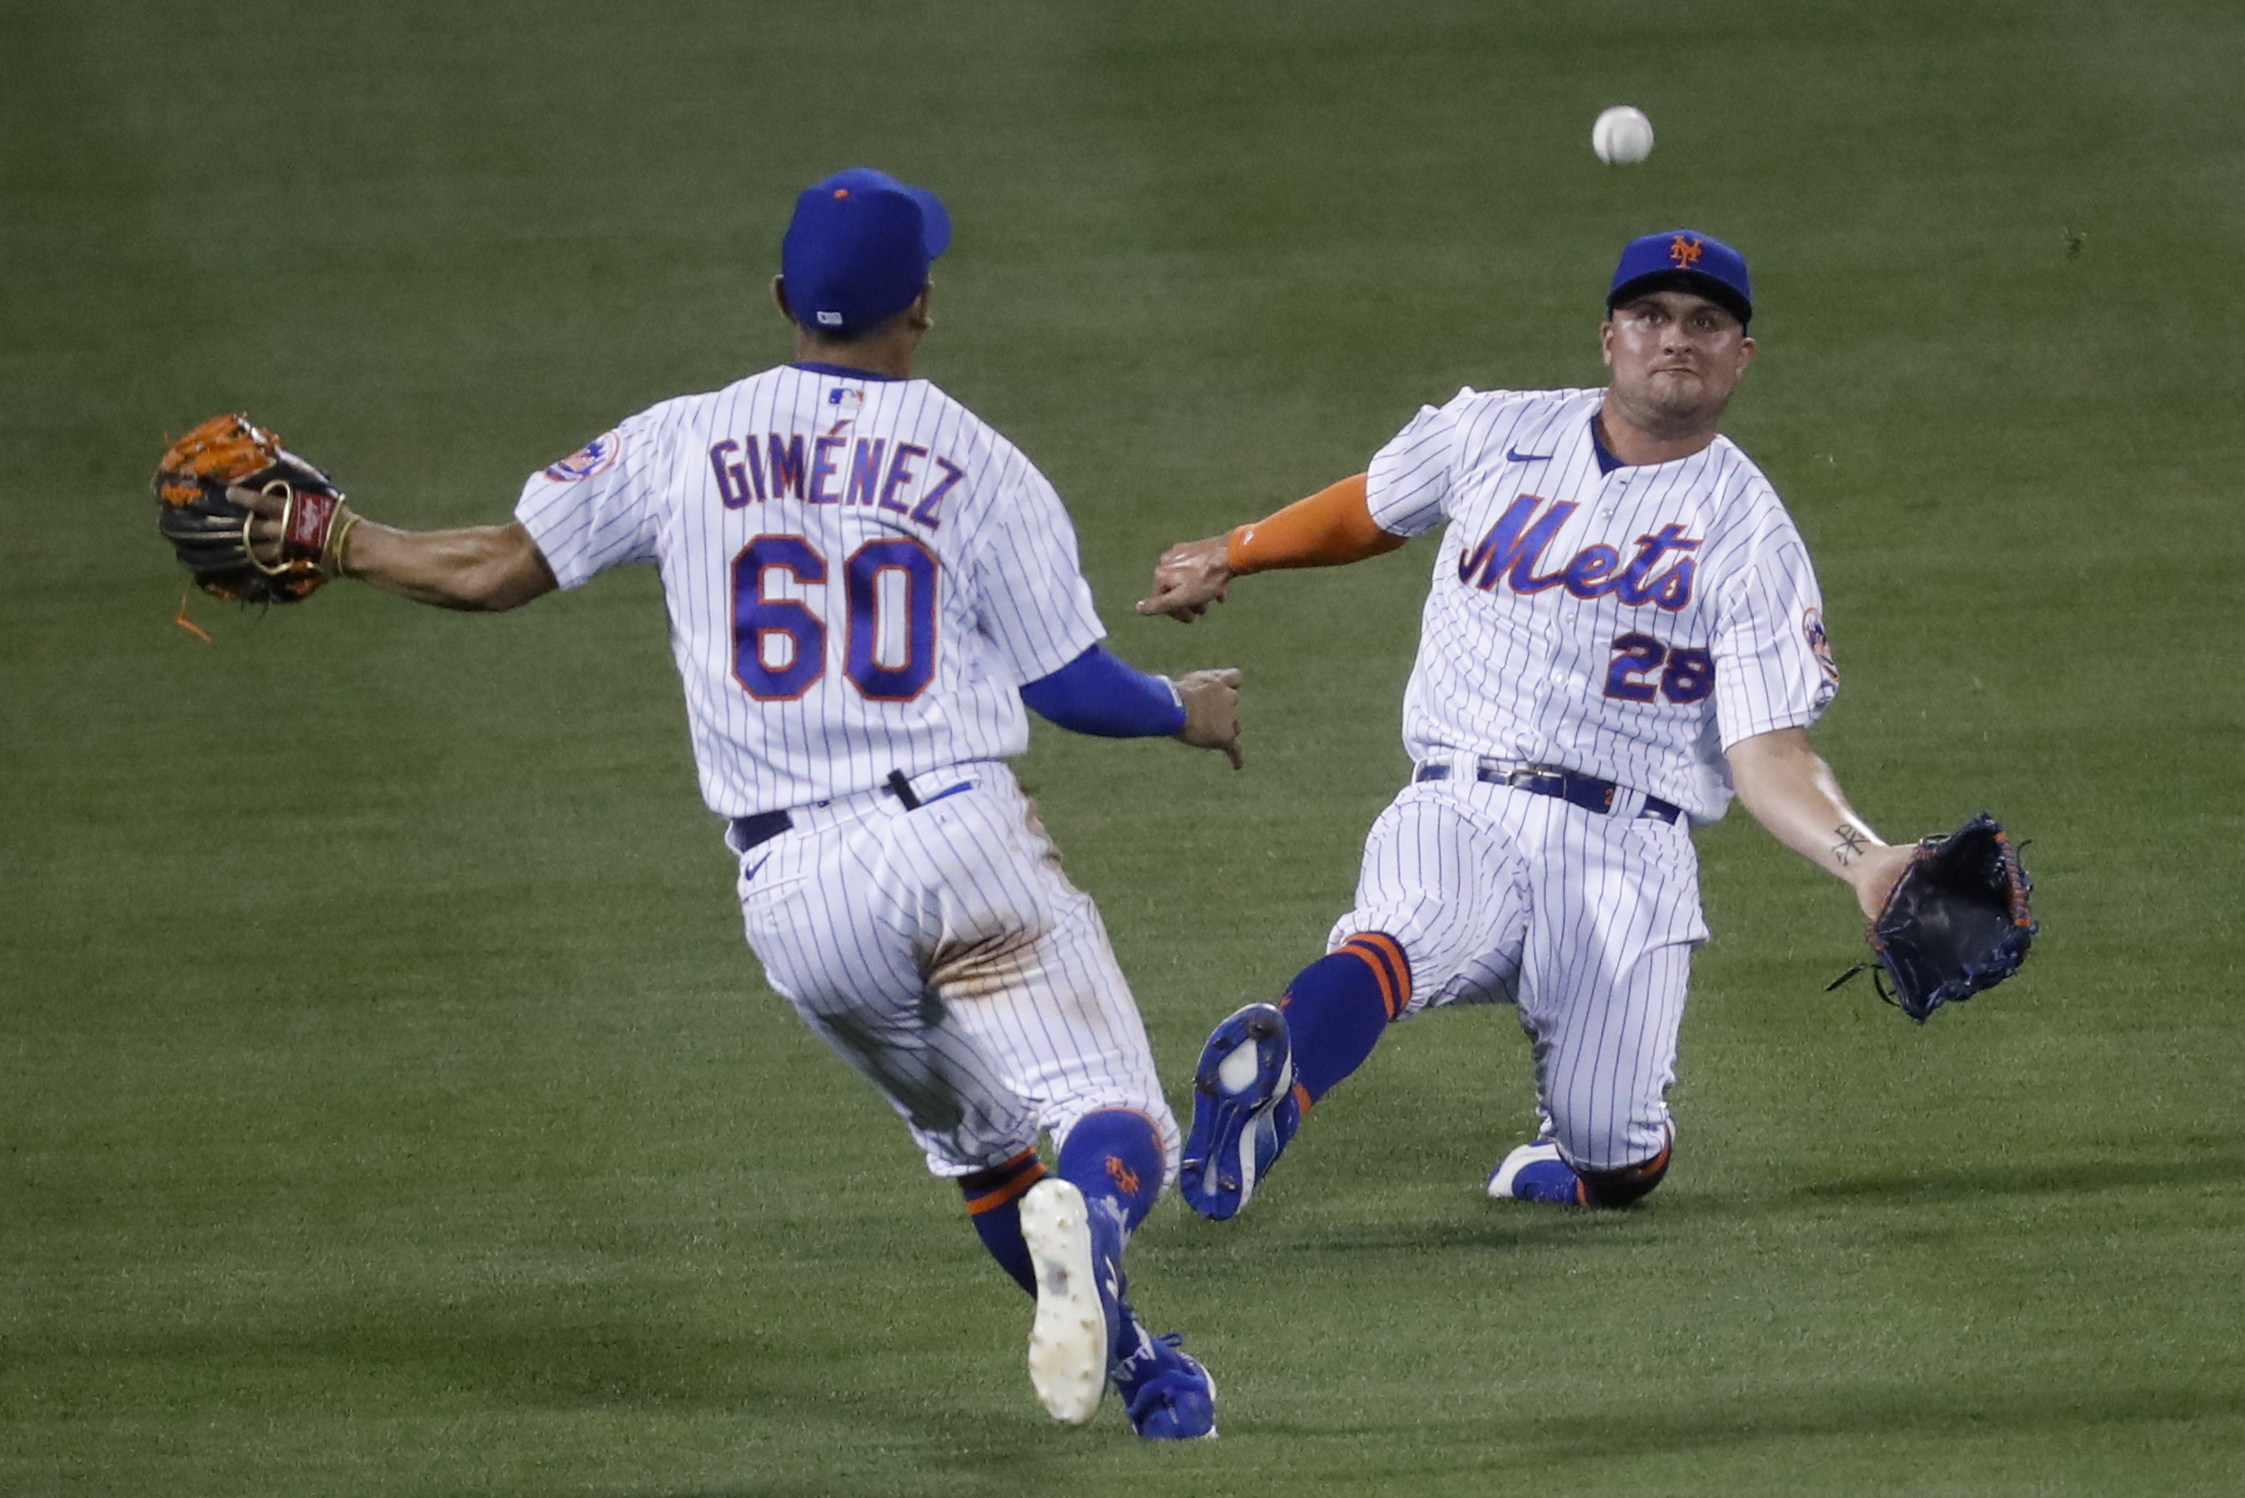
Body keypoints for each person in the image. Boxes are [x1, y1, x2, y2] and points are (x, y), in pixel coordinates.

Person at [254, 168, 1236, 1438]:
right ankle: (1095, 1220)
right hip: (955, 836)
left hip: (795, 895)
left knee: (982, 1152)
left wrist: (340, 538)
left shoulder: (679, 438)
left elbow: (498, 567)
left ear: (782, 297)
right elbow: (1071, 686)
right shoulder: (977, 461)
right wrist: (1185, 709)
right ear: (922, 306)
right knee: (1114, 1119)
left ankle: (1147, 1374)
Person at [1136, 229, 1920, 1216]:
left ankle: (1587, 1149)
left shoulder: (1751, 535)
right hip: (1462, 798)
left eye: (1705, 321)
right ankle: (1272, 1095)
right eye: (1650, 316)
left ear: (1739, 356)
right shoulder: (1492, 431)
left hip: (1627, 847)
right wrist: (1235, 549)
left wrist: (1862, 857)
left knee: (1612, 1149)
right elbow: (1371, 508)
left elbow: (1768, 750)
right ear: (1608, 337)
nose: (1674, 338)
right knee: (1400, 930)